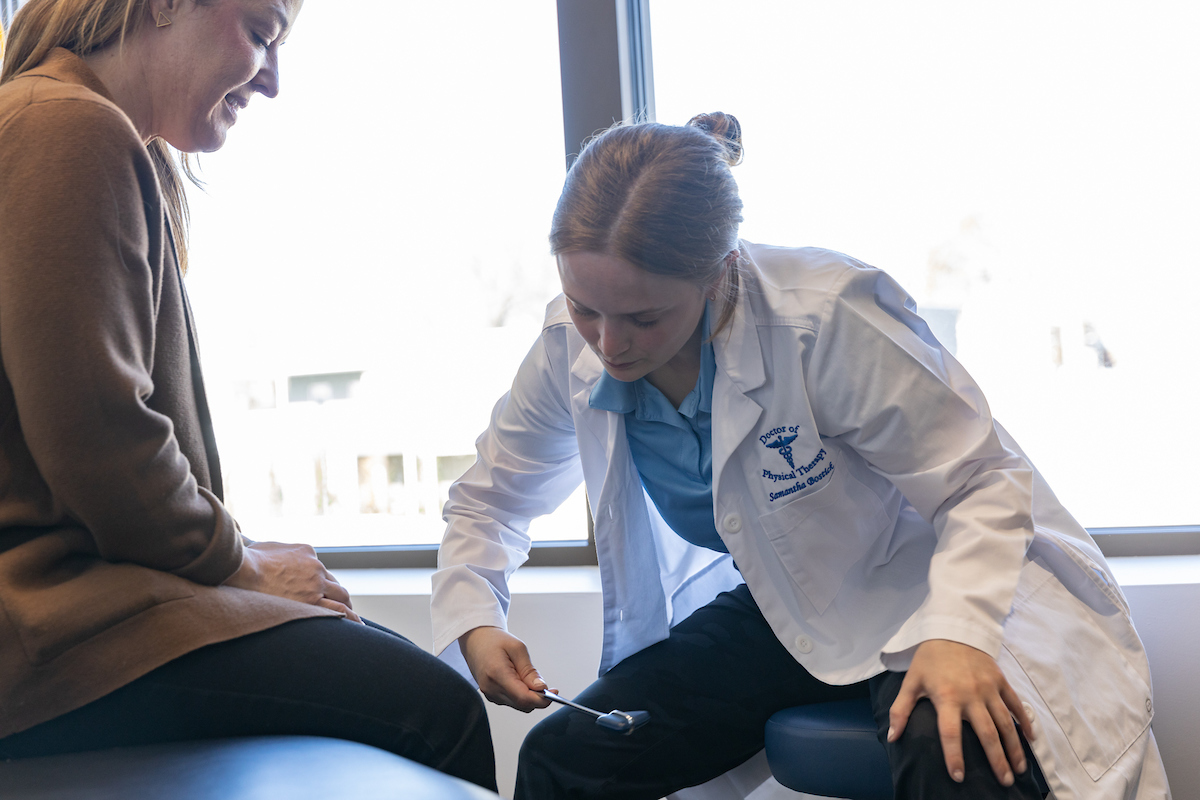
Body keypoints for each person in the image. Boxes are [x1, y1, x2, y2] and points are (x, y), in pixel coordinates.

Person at [431, 113, 1170, 799]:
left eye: (643, 317)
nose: (608, 342)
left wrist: (956, 635)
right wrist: (476, 618)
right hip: (784, 606)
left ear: (718, 271)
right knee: (568, 756)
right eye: (584, 307)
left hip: (925, 588)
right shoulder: (572, 344)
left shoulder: (825, 315)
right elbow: (490, 498)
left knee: (954, 741)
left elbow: (982, 482)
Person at [0, 0, 495, 789]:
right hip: (48, 628)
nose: (272, 81)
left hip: (85, 604)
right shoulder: (66, 127)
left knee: (395, 663)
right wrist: (243, 568)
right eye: (261, 32)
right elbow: (102, 441)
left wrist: (244, 561)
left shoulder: (80, 130)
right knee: (435, 710)